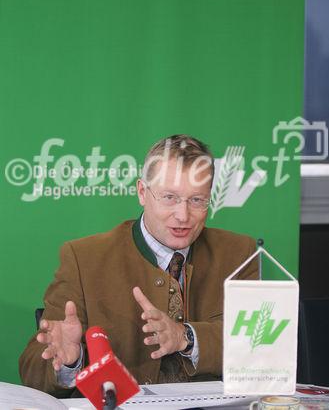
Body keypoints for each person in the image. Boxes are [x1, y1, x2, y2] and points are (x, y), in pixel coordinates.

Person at [19, 134, 258, 397]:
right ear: (142, 193)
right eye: (169, 197)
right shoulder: (83, 258)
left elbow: (259, 350)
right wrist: (68, 362)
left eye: (197, 200)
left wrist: (185, 337)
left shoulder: (240, 254)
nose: (183, 215)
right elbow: (33, 372)